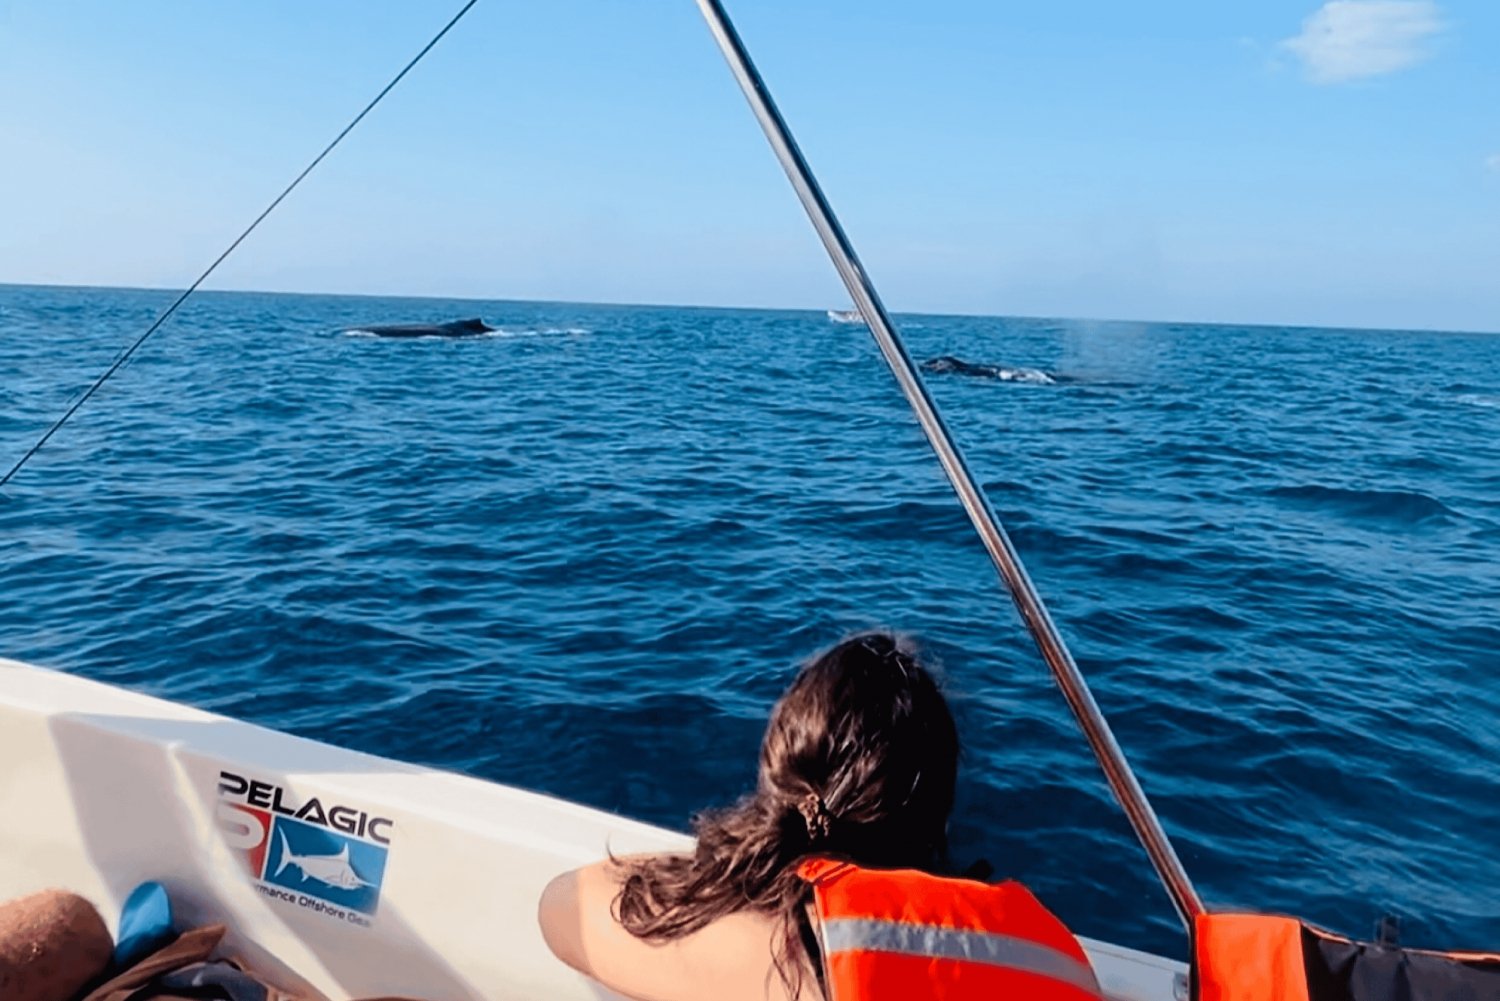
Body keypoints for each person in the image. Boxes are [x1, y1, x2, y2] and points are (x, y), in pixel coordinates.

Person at [538, 631, 1101, 1001]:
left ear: (779, 773)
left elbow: (561, 907)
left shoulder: (785, 955)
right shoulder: (1054, 954)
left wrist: (728, 866)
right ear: (934, 812)